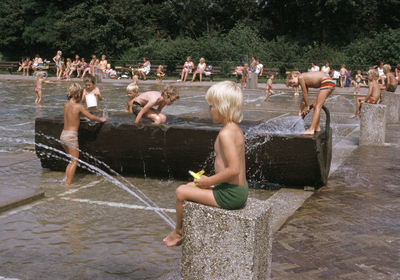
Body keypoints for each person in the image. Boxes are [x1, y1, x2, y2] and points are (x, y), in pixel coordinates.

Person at [163, 81, 248, 247]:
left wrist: (209, 181)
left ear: (223, 107)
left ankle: (179, 232)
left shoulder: (226, 134)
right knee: (191, 185)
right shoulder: (234, 128)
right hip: (235, 190)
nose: (209, 110)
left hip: (230, 195)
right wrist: (213, 180)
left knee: (181, 192)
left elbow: (234, 169)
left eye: (211, 106)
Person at [60, 83, 106, 186]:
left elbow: (68, 116)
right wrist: (101, 119)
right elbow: (92, 117)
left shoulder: (66, 105)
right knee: (75, 161)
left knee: (71, 160)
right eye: (82, 95)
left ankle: (65, 180)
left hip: (63, 135)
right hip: (71, 136)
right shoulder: (79, 107)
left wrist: (79, 118)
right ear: (78, 95)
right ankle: (69, 183)